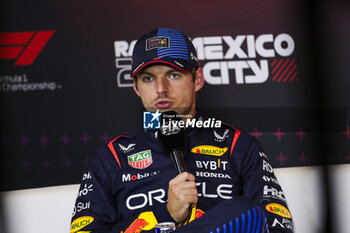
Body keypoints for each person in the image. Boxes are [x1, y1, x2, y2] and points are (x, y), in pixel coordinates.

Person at [70, 28, 293, 233]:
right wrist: (166, 215)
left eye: (173, 75)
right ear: (137, 88)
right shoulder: (111, 158)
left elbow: (277, 227)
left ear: (197, 79)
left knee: (244, 211)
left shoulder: (237, 146)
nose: (161, 89)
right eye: (148, 78)